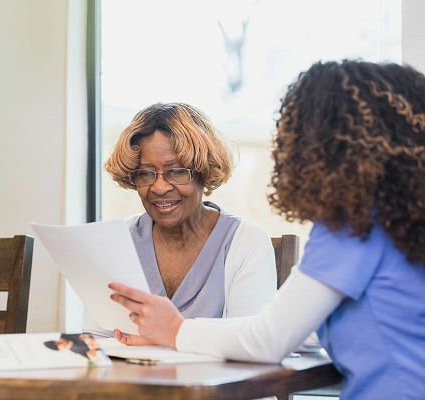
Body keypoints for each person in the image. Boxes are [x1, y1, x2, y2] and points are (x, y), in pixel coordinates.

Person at [108, 60, 425, 399]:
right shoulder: (402, 226)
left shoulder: (354, 229)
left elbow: (268, 339)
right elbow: (298, 329)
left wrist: (176, 330)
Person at [84, 102, 277, 338]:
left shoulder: (247, 241)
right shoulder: (116, 241)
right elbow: (96, 339)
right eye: (145, 173)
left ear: (203, 172)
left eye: (176, 171)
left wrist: (169, 340)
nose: (160, 187)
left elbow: (248, 341)